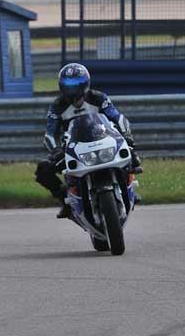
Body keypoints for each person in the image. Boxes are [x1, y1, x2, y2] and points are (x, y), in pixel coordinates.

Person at [35, 63, 142, 219]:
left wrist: (127, 137)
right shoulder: (58, 106)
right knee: (43, 169)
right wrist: (57, 152)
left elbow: (118, 118)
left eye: (75, 84)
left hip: (103, 139)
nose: (71, 89)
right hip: (73, 147)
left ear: (85, 84)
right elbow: (50, 134)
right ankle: (65, 200)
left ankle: (127, 188)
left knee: (132, 156)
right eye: (67, 85)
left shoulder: (98, 98)